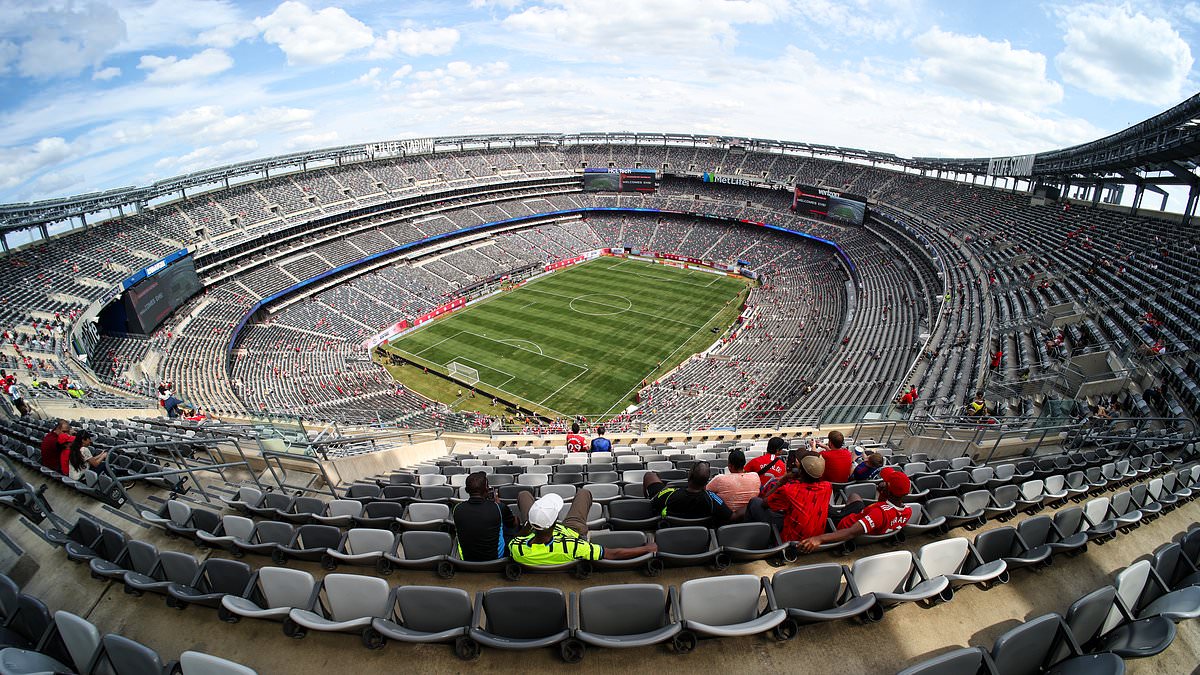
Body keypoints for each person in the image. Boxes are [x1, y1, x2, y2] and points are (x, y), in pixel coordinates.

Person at [508, 490, 656, 564]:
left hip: (536, 531)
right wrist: (646, 548)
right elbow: (613, 554)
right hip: (571, 531)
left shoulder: (516, 547)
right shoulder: (575, 546)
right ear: (555, 522)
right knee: (583, 493)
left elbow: (518, 539)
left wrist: (528, 526)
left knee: (523, 494)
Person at [798, 467, 913, 552]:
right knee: (855, 496)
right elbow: (884, 509)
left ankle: (834, 513)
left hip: (842, 526)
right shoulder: (907, 511)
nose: (881, 481)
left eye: (885, 482)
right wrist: (882, 492)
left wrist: (819, 539)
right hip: (862, 516)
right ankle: (840, 510)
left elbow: (850, 533)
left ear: (888, 490)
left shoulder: (878, 513)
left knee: (821, 507)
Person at [747, 451, 831, 542]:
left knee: (755, 502)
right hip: (816, 539)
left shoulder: (789, 490)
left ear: (800, 471)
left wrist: (780, 483)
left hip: (791, 542)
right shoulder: (828, 487)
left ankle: (749, 539)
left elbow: (764, 503)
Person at [452, 472, 516, 561]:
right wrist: (500, 505)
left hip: (467, 559)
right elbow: (513, 524)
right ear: (487, 489)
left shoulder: (457, 509)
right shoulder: (498, 507)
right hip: (496, 559)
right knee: (510, 526)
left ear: (466, 490)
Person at [643, 462, 733, 524]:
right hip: (700, 537)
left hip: (671, 534)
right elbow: (731, 516)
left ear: (689, 476)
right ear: (707, 481)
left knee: (650, 475)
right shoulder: (712, 498)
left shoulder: (670, 493)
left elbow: (652, 503)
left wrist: (666, 489)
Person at [704, 449, 760, 514]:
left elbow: (705, 491)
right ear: (744, 463)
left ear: (730, 466)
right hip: (751, 519)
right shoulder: (755, 476)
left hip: (725, 520)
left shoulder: (719, 479)